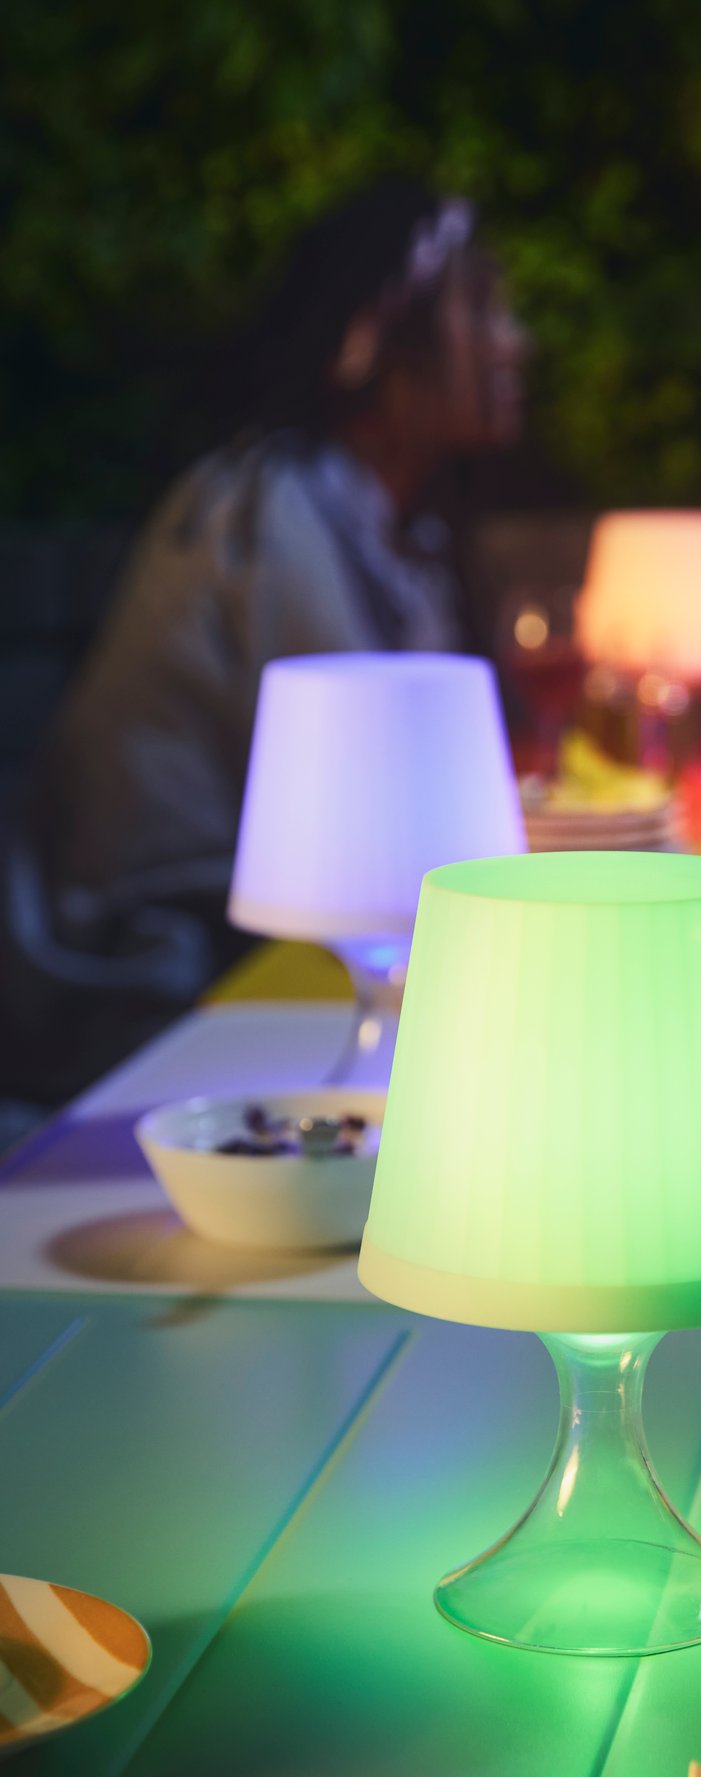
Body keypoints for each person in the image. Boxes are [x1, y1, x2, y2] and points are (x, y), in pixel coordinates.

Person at [5, 178, 527, 1097]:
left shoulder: (380, 522)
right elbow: (379, 801)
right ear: (379, 337)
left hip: (269, 942)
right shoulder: (265, 513)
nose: (515, 343)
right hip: (156, 967)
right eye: (481, 309)